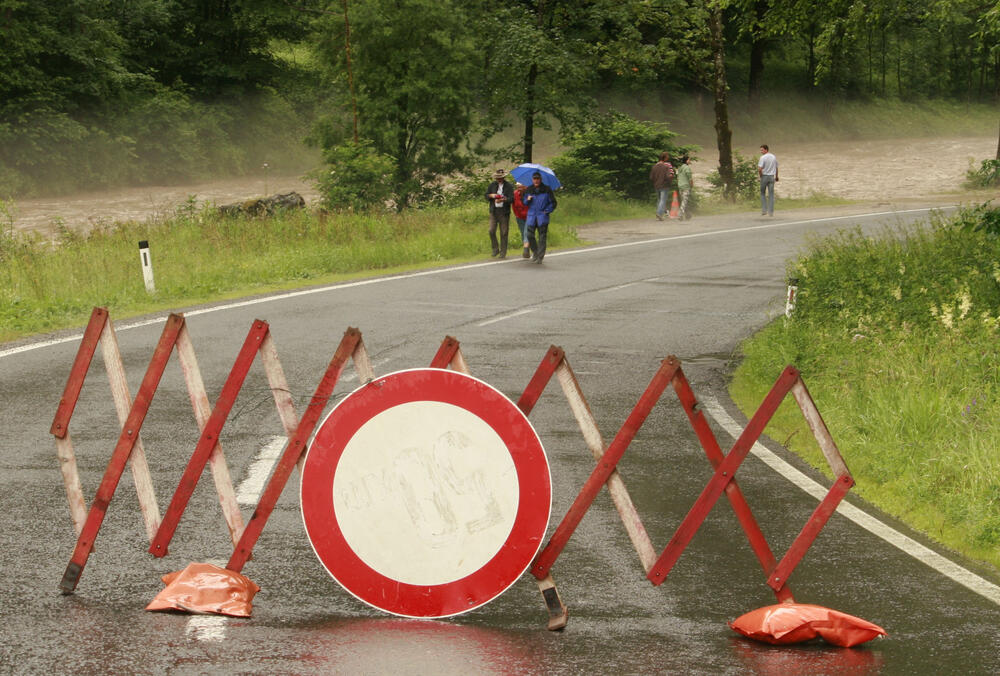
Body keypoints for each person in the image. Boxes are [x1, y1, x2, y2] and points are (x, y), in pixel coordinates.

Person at [523, 172, 557, 264]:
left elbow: (553, 203)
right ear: (532, 179)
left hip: (542, 216)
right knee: (530, 235)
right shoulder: (529, 189)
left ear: (541, 179)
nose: (536, 180)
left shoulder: (547, 189)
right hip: (532, 216)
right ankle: (535, 252)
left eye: (538, 178)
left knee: (542, 237)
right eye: (534, 178)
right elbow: (525, 202)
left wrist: (547, 211)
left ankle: (540, 257)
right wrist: (527, 199)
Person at [485, 169, 514, 258]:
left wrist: (503, 199)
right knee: (491, 230)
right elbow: (486, 195)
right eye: (498, 178)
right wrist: (491, 196)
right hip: (494, 211)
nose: (499, 179)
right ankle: (495, 249)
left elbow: (511, 199)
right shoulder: (492, 185)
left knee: (504, 232)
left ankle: (503, 252)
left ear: (504, 177)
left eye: (501, 178)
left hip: (504, 212)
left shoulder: (509, 186)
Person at [649, 151, 675, 221]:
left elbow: (651, 177)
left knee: (659, 200)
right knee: (663, 200)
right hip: (664, 185)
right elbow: (667, 177)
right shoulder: (666, 166)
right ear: (665, 158)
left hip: (656, 185)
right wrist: (671, 177)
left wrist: (656, 181)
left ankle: (659, 214)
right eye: (667, 157)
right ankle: (659, 214)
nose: (668, 158)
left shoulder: (654, 166)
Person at [758, 144, 779, 216]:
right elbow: (776, 167)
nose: (761, 151)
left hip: (764, 176)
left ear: (766, 149)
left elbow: (760, 169)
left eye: (762, 150)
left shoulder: (762, 157)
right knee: (771, 195)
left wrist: (760, 176)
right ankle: (771, 212)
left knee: (762, 193)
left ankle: (764, 210)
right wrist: (776, 176)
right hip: (771, 177)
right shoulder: (773, 157)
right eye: (761, 150)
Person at [512, 182, 530, 258]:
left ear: (525, 187)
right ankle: (527, 249)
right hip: (519, 216)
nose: (518, 187)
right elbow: (513, 206)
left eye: (520, 186)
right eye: (518, 186)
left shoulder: (530, 193)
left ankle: (525, 250)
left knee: (526, 232)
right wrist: (517, 215)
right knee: (523, 233)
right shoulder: (515, 193)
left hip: (529, 216)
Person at [676, 155, 693, 220]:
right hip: (686, 186)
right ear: (686, 160)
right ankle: (680, 215)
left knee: (684, 201)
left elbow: (677, 177)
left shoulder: (680, 168)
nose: (690, 161)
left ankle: (688, 214)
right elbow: (690, 178)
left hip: (680, 186)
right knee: (684, 201)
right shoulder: (687, 168)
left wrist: (679, 183)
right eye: (689, 160)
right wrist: (691, 185)